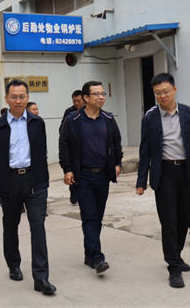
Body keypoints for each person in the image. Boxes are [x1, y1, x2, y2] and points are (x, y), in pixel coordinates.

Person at [136, 73, 190, 288]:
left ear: (174, 90)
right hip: (164, 172)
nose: (162, 96)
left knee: (183, 219)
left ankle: (176, 256)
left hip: (186, 171)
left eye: (166, 91)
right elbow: (145, 151)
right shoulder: (149, 118)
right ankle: (174, 267)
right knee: (168, 221)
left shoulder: (188, 113)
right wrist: (141, 181)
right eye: (158, 93)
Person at [0, 79, 56, 295]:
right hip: (10, 181)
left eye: (21, 97)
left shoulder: (37, 122)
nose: (18, 101)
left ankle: (41, 277)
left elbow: (42, 151)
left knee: (38, 226)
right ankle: (13, 264)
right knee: (11, 225)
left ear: (27, 98)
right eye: (13, 97)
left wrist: (42, 179)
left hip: (34, 180)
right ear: (6, 99)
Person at [59, 81, 122, 274]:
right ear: (86, 97)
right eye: (96, 94)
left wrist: (117, 163)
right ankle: (97, 257)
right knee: (90, 216)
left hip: (103, 175)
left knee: (98, 217)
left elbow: (116, 142)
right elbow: (64, 145)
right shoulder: (73, 119)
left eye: (102, 94)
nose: (101, 97)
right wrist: (67, 169)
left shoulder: (108, 119)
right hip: (83, 176)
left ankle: (89, 254)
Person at [59, 90, 84, 205]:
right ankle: (73, 192)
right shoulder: (69, 113)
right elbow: (62, 130)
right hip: (73, 148)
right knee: (73, 172)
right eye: (74, 101)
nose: (76, 103)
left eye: (79, 101)